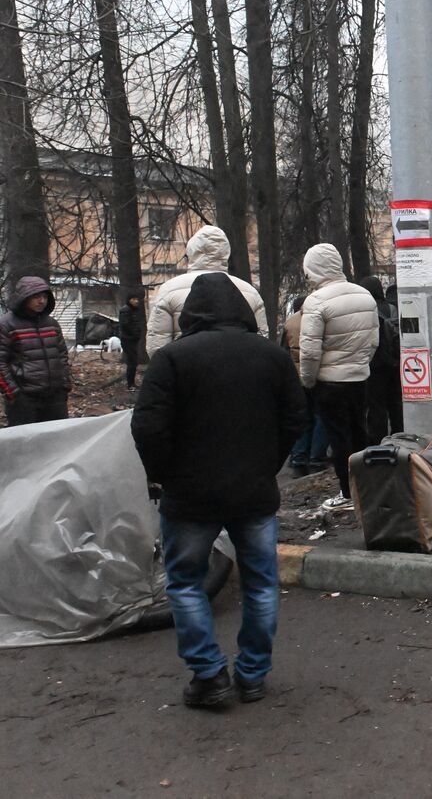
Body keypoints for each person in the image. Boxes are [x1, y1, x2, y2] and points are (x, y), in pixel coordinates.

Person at [131, 273, 306, 708]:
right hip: (254, 492)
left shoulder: (172, 359)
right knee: (262, 584)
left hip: (190, 495)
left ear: (191, 313)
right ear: (243, 311)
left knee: (186, 583)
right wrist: (268, 463)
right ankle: (252, 676)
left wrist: (162, 475)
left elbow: (148, 426)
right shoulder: (272, 357)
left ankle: (209, 676)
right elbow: (295, 418)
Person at [298, 243, 379, 512]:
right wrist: (359, 364)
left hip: (329, 382)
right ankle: (366, 487)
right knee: (359, 433)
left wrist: (308, 381)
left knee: (338, 438)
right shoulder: (365, 296)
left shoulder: (317, 301)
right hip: (360, 378)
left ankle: (346, 491)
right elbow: (373, 341)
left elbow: (309, 351)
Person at [146, 225, 267, 355]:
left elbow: (157, 345)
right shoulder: (249, 291)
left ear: (191, 251)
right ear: (225, 252)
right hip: (238, 368)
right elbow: (262, 340)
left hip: (187, 368)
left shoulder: (169, 289)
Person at [0, 276, 70, 426]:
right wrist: (13, 393)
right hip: (24, 399)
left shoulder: (51, 324)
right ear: (24, 297)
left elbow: (62, 356)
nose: (41, 301)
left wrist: (64, 385)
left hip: (55, 397)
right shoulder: (6, 325)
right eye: (36, 296)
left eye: (44, 296)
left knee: (59, 442)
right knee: (26, 445)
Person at [282, 295, 329, 477]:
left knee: (303, 417)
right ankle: (317, 457)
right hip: (318, 374)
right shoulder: (319, 319)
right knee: (321, 417)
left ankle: (299, 457)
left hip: (296, 376)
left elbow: (284, 350)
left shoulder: (290, 322)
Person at [358, 276, 402, 444]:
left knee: (377, 406)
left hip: (374, 364)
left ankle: (379, 440)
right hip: (394, 362)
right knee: (395, 403)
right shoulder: (392, 308)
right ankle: (400, 436)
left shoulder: (367, 311)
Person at [118, 290, 146, 391]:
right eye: (133, 299)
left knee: (133, 361)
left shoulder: (134, 310)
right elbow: (125, 325)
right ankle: (130, 384)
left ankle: (131, 383)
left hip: (132, 339)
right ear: (129, 300)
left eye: (137, 299)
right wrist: (134, 333)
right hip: (128, 339)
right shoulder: (126, 310)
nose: (136, 301)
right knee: (132, 362)